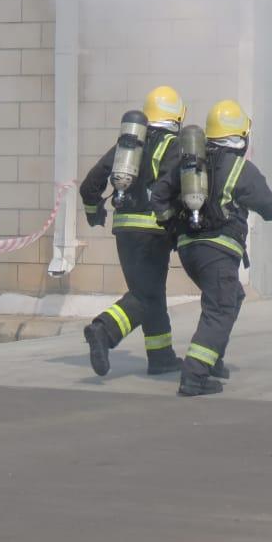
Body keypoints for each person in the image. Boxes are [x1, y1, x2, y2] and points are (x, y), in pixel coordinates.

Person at [151, 99, 272, 397]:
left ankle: (212, 360)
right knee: (221, 306)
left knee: (230, 296)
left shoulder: (188, 165)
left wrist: (171, 224)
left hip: (188, 251)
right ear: (241, 136)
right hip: (218, 252)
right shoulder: (241, 170)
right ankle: (195, 375)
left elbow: (158, 196)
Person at [78, 86, 185, 377]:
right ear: (176, 117)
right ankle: (104, 330)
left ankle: (161, 357)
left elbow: (90, 185)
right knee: (144, 295)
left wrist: (93, 212)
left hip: (125, 231)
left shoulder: (129, 144)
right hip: (154, 231)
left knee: (151, 291)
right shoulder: (174, 146)